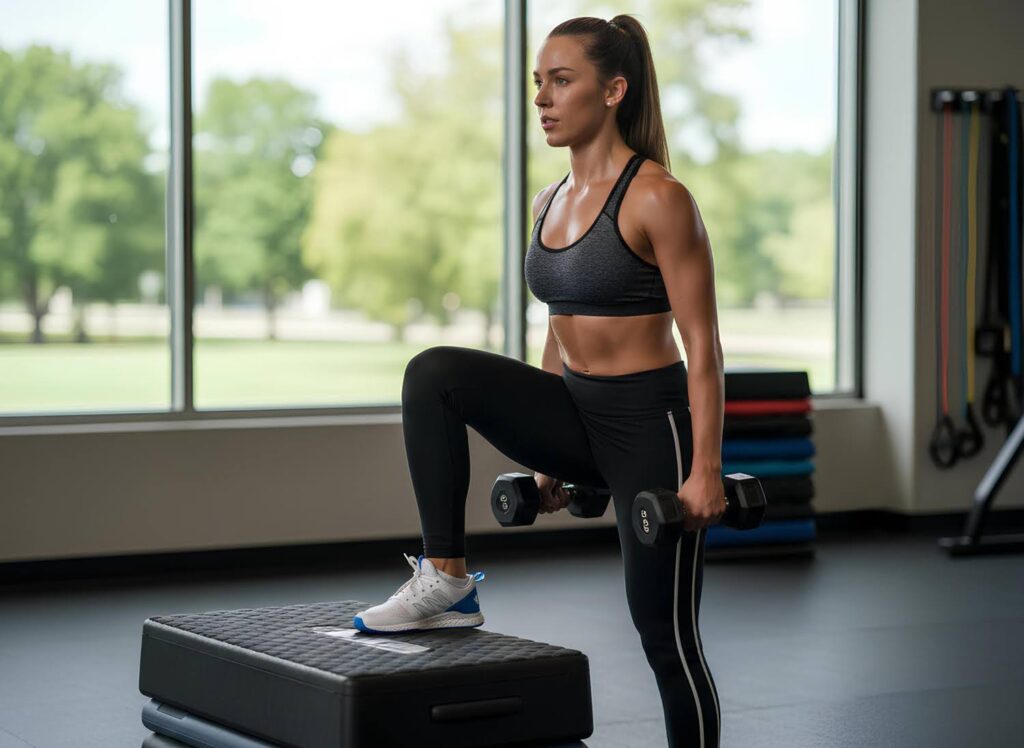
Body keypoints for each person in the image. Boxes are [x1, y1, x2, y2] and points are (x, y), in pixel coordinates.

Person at [354, 14, 726, 748]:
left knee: (664, 638)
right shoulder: (546, 203)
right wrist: (545, 457)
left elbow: (705, 345)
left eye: (562, 82)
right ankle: (447, 579)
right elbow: (558, 328)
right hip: (576, 412)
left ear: (613, 90)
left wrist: (705, 468)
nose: (543, 99)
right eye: (538, 83)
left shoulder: (658, 197)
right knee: (434, 375)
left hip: (651, 425)